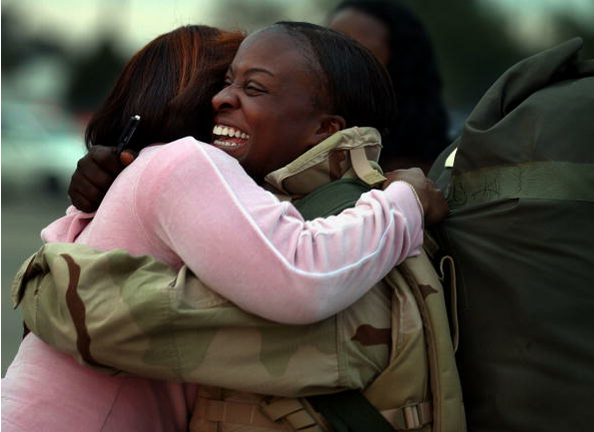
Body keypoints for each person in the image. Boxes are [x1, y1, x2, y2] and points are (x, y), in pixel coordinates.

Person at [3, 23, 447, 432]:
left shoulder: (141, 175)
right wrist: (405, 198)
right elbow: (300, 277)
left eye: (253, 87)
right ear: (189, 90)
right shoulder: (187, 160)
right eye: (226, 80)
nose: (224, 98)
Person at [328, 0, 451, 174]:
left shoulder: (431, 175)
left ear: (401, 66)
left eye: (354, 50)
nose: (332, 61)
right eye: (328, 47)